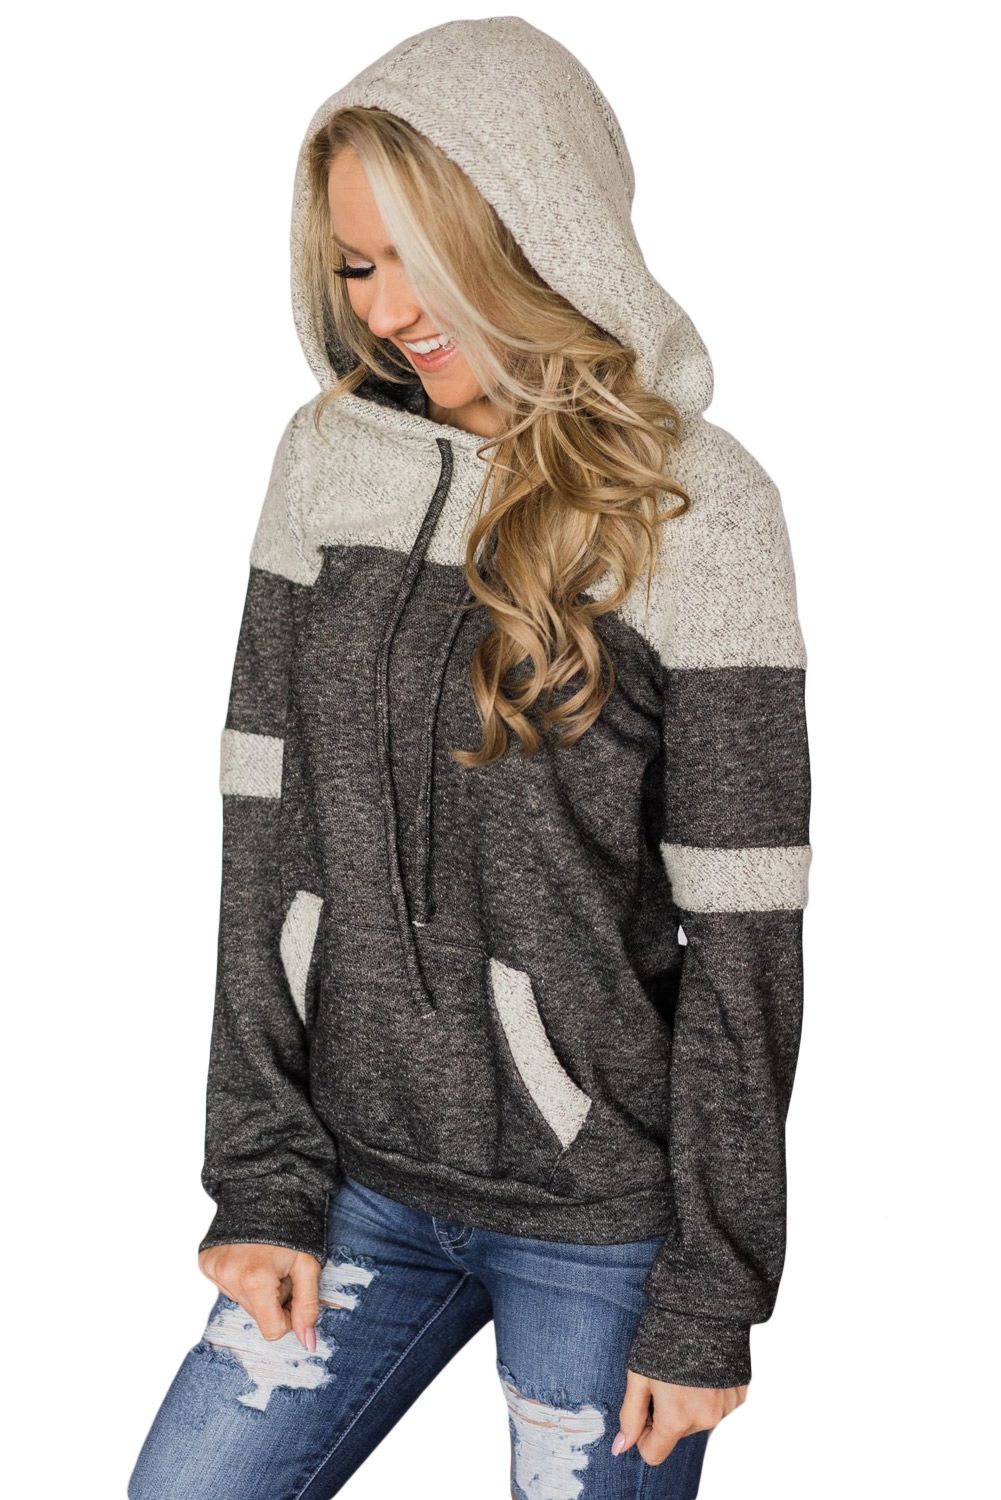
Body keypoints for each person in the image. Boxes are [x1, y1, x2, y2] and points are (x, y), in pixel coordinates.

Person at [127, 16, 811, 1500]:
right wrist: (262, 1174)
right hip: (355, 1179)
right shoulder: (325, 460)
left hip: (599, 1220)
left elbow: (745, 935)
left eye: (416, 261)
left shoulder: (699, 511)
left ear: (533, 234)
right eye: (353, 267)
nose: (384, 312)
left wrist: (712, 1290)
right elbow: (261, 828)